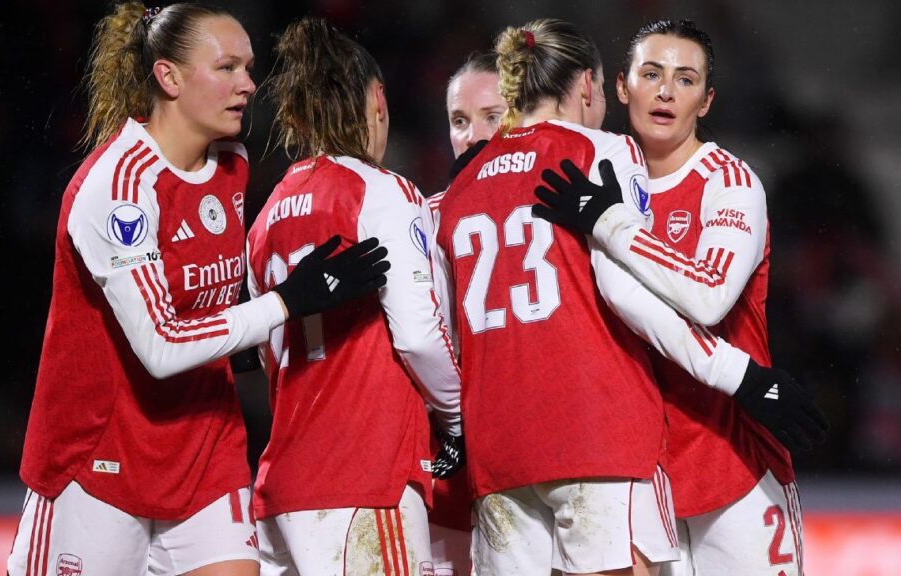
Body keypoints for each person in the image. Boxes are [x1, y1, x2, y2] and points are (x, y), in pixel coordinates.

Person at [8, 4, 388, 576]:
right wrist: (287, 301)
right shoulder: (118, 189)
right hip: (100, 459)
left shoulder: (230, 165)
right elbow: (161, 347)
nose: (248, 84)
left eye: (248, 67)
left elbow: (211, 310)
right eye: (228, 67)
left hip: (204, 449)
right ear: (169, 77)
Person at [532, 19, 826, 575]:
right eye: (651, 74)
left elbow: (709, 297)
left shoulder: (729, 182)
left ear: (707, 100)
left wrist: (611, 223)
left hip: (734, 462)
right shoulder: (598, 180)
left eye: (685, 79)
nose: (666, 91)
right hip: (642, 474)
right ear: (622, 87)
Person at [245, 17, 462, 575]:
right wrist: (461, 419)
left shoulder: (265, 217)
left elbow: (270, 357)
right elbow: (417, 335)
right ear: (377, 99)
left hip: (283, 487)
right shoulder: (383, 192)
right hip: (363, 479)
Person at [426, 49, 507, 576]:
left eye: (491, 117)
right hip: (448, 469)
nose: (473, 136)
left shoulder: (556, 212)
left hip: (530, 460)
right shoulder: (423, 219)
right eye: (460, 121)